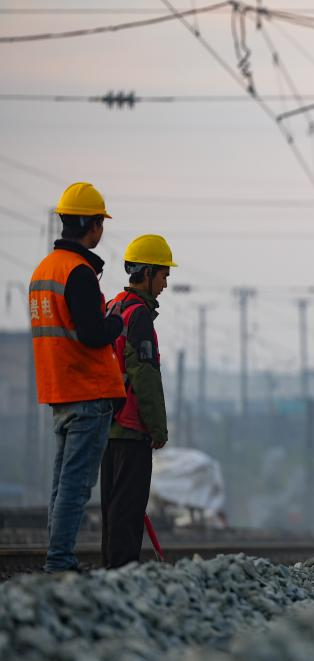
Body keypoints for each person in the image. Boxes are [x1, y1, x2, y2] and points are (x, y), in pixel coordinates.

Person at [29, 182, 125, 572]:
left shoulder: (43, 271)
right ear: (92, 226)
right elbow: (91, 333)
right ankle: (60, 561)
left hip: (60, 391)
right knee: (76, 485)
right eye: (100, 222)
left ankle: (57, 558)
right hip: (87, 391)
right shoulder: (78, 272)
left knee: (61, 484)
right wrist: (115, 324)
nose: (101, 229)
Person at [101, 234, 176, 568]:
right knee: (129, 506)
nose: (164, 284)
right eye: (163, 276)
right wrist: (158, 428)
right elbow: (145, 375)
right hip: (131, 426)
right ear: (147, 273)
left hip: (107, 423)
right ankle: (123, 570)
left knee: (112, 504)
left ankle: (112, 569)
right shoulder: (140, 317)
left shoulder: (113, 308)